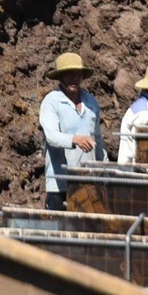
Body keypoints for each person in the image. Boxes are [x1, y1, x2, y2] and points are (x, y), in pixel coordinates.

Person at [38, 52, 102, 210]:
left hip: (88, 183)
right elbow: (52, 136)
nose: (74, 79)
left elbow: (98, 140)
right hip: (60, 185)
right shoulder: (52, 101)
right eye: (69, 74)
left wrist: (103, 167)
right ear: (60, 77)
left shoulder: (91, 102)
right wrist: (75, 140)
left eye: (77, 74)